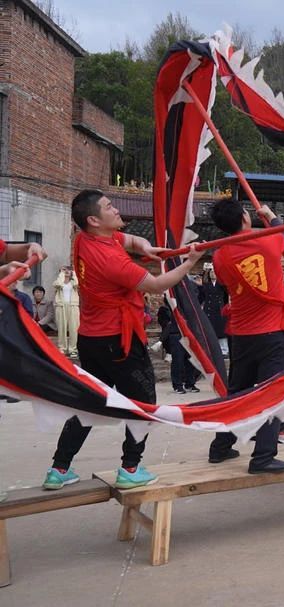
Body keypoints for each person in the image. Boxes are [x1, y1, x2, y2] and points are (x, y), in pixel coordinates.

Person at [44, 189, 204, 490]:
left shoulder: (84, 240)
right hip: (118, 340)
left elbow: (129, 241)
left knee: (90, 403)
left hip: (91, 338)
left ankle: (59, 468)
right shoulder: (109, 259)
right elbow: (156, 285)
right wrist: (189, 262)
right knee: (144, 403)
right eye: (108, 207)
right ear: (94, 219)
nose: (116, 210)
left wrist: (146, 247)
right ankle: (130, 467)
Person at [205, 199, 284, 472]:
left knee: (237, 393)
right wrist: (271, 216)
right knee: (271, 394)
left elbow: (224, 282)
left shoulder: (219, 255)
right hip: (271, 332)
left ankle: (220, 448)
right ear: (245, 217)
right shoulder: (266, 240)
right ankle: (263, 457)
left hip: (241, 333)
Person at [158, 301, 198, 394]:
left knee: (190, 361)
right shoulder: (171, 301)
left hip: (189, 333)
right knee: (178, 361)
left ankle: (190, 383)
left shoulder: (188, 300)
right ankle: (177, 385)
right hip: (176, 333)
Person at [200, 266, 229, 356]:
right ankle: (211, 349)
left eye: (214, 272)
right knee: (210, 329)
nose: (213, 273)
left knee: (221, 330)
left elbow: (226, 294)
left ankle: (224, 350)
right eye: (211, 272)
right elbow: (202, 296)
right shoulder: (206, 284)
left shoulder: (221, 284)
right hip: (209, 309)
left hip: (219, 309)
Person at [51, 266, 80, 356]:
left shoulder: (73, 282)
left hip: (73, 306)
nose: (67, 271)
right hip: (61, 306)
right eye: (64, 270)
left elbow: (77, 284)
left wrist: (74, 272)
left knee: (74, 328)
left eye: (69, 270)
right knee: (61, 328)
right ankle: (62, 348)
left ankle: (73, 349)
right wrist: (61, 274)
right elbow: (58, 284)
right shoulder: (58, 282)